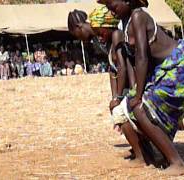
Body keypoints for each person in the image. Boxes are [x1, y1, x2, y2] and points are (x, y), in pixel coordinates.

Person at [102, 0, 184, 175]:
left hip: (179, 65)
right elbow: (132, 63)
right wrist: (134, 93)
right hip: (165, 70)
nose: (110, 9)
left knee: (140, 108)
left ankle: (177, 163)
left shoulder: (138, 16)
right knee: (129, 109)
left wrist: (138, 95)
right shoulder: (124, 24)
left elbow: (142, 57)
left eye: (112, 5)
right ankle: (153, 155)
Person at [68, 7, 155, 165]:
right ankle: (143, 151)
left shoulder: (112, 34)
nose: (80, 39)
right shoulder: (99, 38)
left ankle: (142, 155)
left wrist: (119, 96)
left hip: (134, 79)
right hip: (128, 82)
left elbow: (123, 65)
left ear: (78, 27)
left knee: (124, 115)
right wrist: (114, 95)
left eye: (76, 35)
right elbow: (112, 68)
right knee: (123, 114)